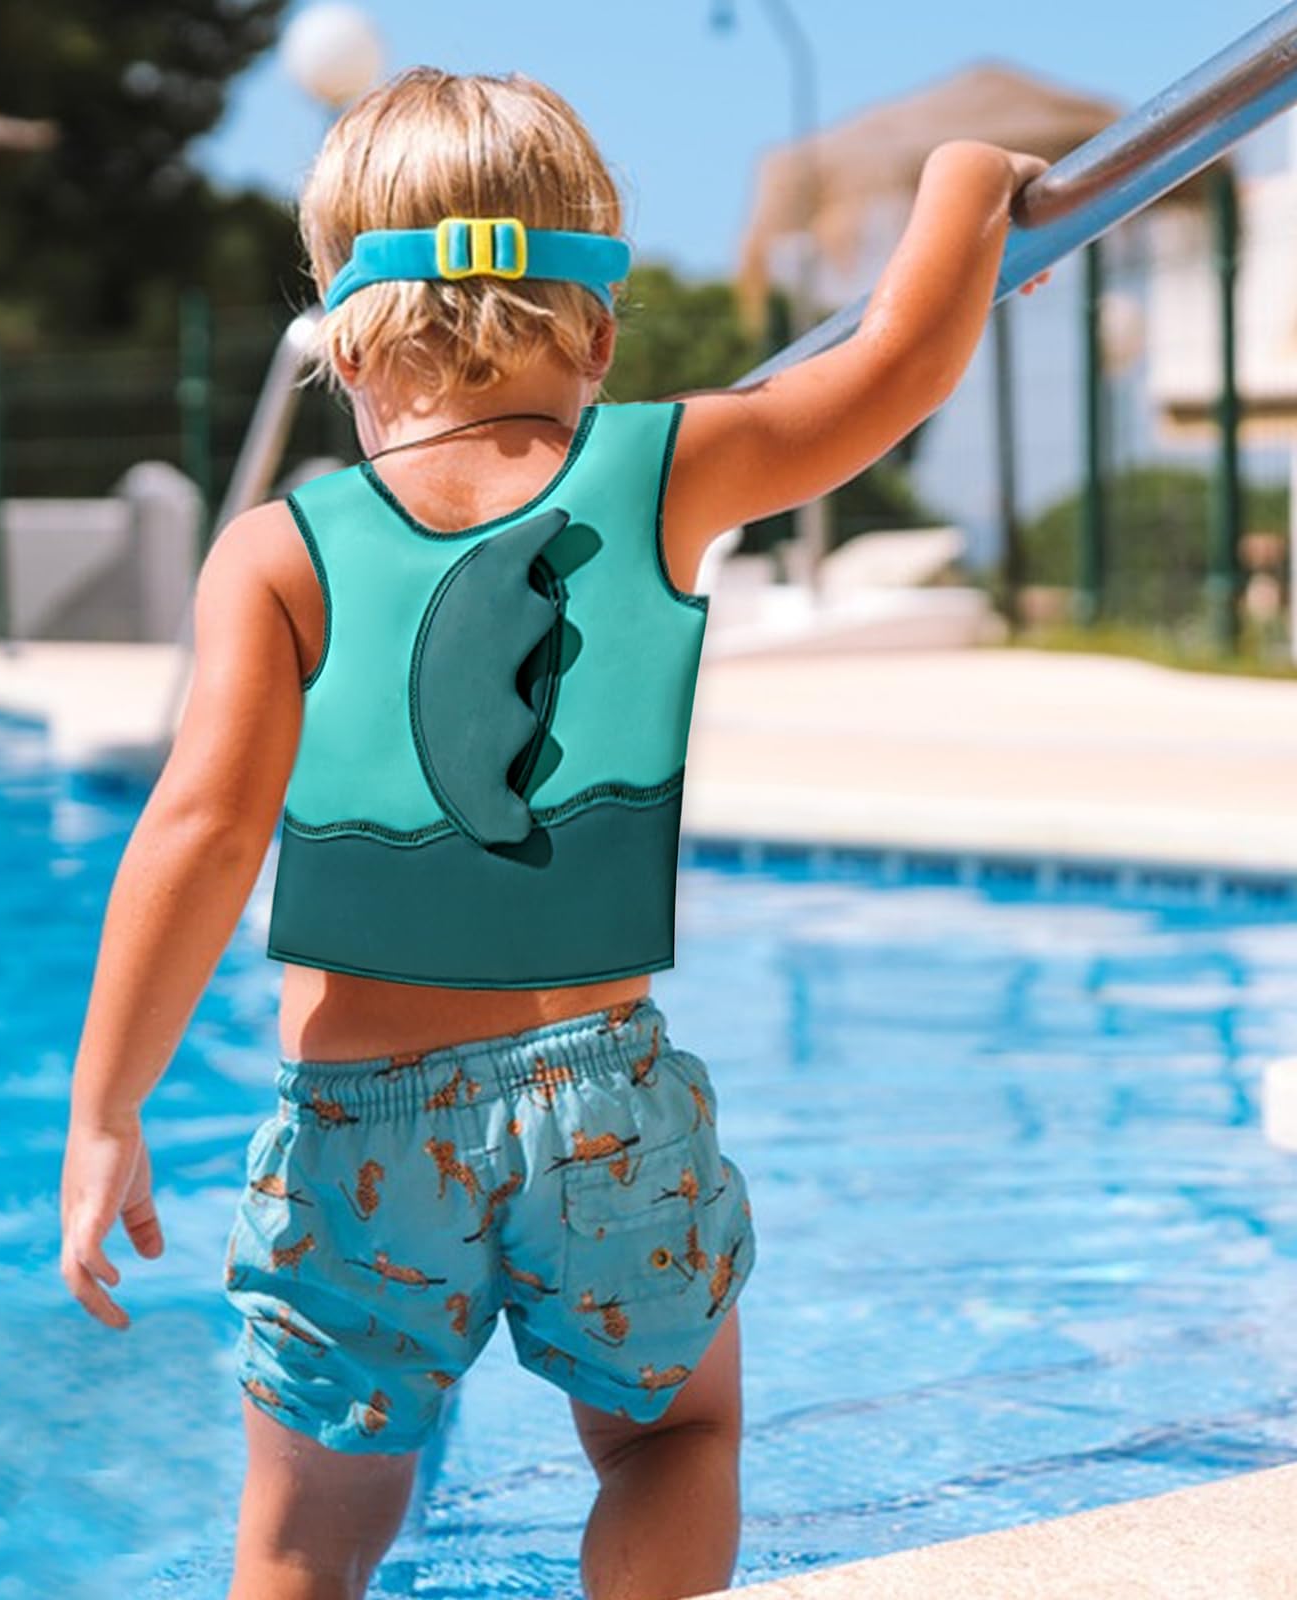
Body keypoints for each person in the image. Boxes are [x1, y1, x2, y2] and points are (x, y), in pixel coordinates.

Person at [59, 65, 1050, 1600]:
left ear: (340, 327)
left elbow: (196, 833)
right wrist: (968, 185)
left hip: (355, 1131)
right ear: (596, 322)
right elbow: (902, 363)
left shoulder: (281, 552)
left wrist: (106, 1109)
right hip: (604, 1108)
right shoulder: (669, 471)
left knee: (310, 1524)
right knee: (672, 1441)